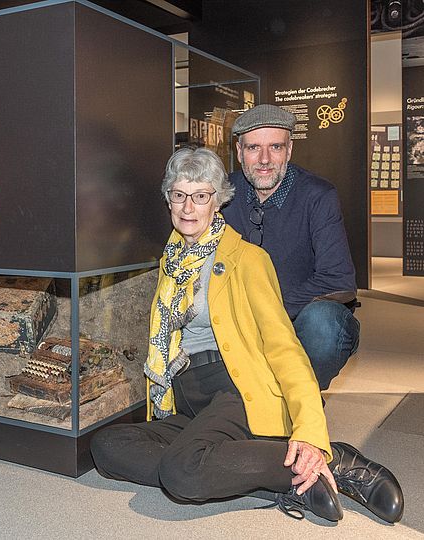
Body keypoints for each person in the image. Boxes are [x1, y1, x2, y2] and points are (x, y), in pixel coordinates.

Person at [90, 147, 403, 524]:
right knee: (107, 447)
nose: (188, 207)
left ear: (217, 201)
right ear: (168, 199)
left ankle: (328, 460)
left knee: (181, 473)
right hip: (188, 398)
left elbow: (284, 348)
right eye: (179, 195)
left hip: (233, 389)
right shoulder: (171, 262)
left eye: (201, 196)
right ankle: (267, 470)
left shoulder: (247, 259)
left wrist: (311, 433)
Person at [222, 104, 359, 390]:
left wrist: (269, 311)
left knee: (325, 325)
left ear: (290, 150)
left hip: (299, 318)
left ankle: (302, 400)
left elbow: (338, 278)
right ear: (238, 152)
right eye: (253, 148)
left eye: (275, 147)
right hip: (241, 320)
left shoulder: (318, 195)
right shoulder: (223, 194)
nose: (264, 159)